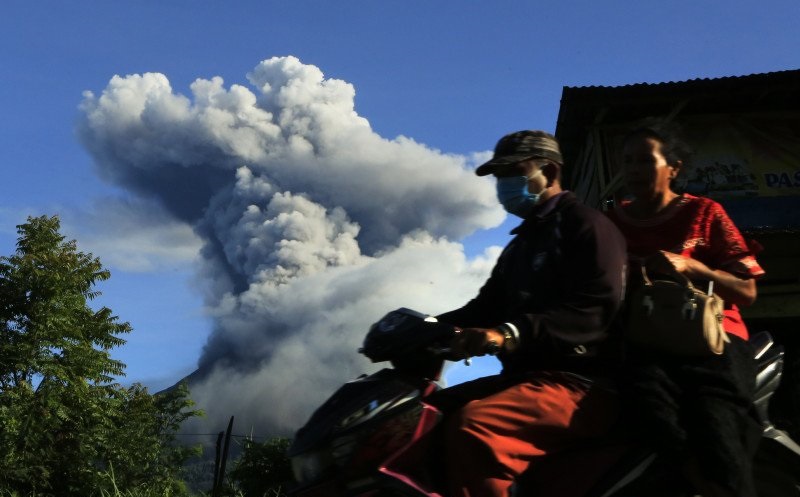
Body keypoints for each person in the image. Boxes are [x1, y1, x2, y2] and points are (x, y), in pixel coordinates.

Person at [431, 130, 628, 497]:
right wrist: (422, 328)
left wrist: (508, 333)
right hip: (527, 380)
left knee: (475, 428)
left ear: (550, 173)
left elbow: (596, 307)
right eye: (499, 177)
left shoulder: (587, 226)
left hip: (581, 385)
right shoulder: (521, 244)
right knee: (422, 416)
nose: (503, 185)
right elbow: (483, 308)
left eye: (512, 173)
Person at [606, 119, 765, 497]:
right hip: (647, 344)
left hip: (714, 339)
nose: (633, 170)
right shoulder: (610, 224)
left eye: (645, 161)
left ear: (672, 168)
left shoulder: (705, 213)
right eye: (627, 161)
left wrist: (692, 266)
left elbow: (746, 291)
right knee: (646, 409)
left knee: (716, 416)